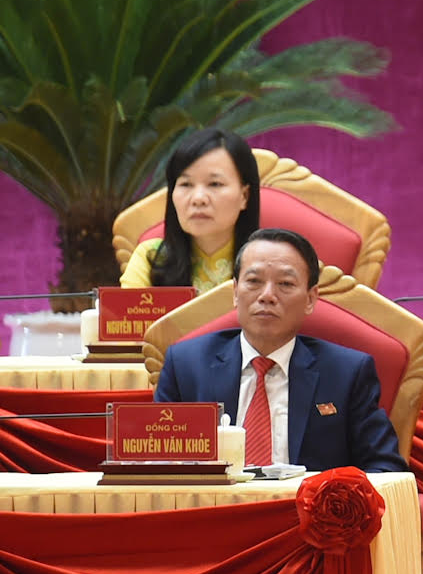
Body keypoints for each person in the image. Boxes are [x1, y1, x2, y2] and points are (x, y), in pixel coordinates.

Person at [155, 227, 404, 473]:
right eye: (254, 281)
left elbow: (386, 468)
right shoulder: (186, 364)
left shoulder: (346, 373)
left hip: (307, 500)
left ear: (310, 299)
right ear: (235, 292)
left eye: (285, 283)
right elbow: (158, 462)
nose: (267, 296)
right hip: (214, 500)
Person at [121, 128, 261, 293]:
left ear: (244, 196)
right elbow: (126, 310)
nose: (198, 198)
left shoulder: (271, 262)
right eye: (186, 184)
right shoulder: (151, 258)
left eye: (215, 184)